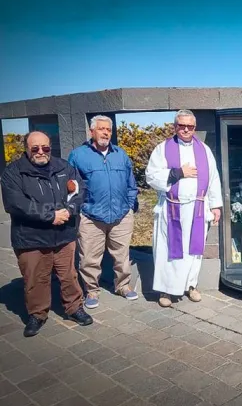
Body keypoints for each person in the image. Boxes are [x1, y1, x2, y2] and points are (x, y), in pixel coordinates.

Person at [1, 131, 93, 336]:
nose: (41, 152)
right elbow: (16, 204)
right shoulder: (13, 172)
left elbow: (80, 191)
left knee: (69, 275)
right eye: (35, 148)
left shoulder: (64, 167)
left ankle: (74, 307)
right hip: (31, 238)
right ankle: (37, 314)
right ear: (26, 149)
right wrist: (50, 216)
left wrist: (68, 211)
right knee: (35, 279)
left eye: (45, 148)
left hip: (63, 235)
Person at [145, 109, 223, 307]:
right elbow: (151, 176)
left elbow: (214, 179)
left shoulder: (204, 150)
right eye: (182, 126)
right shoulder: (163, 149)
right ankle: (166, 291)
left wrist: (215, 206)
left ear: (195, 128)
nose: (186, 129)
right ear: (175, 126)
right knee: (168, 250)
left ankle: (191, 285)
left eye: (190, 126)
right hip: (172, 208)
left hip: (197, 208)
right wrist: (178, 173)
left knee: (194, 250)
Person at [68, 115, 139, 309]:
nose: (106, 133)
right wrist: (80, 209)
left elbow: (131, 184)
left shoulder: (120, 154)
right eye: (101, 129)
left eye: (108, 129)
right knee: (89, 257)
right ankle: (91, 290)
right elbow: (71, 188)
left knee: (122, 255)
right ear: (92, 131)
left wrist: (130, 205)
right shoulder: (78, 155)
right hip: (91, 216)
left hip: (121, 215)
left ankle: (123, 286)